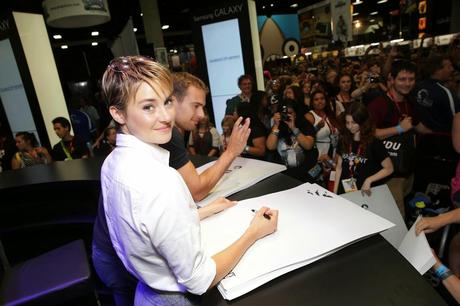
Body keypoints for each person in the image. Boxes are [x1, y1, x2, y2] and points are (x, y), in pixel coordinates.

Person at [99, 55, 278, 304]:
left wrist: (199, 212)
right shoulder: (161, 181)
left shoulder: (112, 162)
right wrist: (254, 232)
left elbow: (146, 225)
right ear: (118, 114)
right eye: (148, 107)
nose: (165, 117)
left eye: (167, 102)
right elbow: (199, 279)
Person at [367, 59, 428, 217]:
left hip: (407, 171)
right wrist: (399, 128)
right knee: (396, 220)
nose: (407, 84)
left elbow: (417, 126)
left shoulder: (409, 101)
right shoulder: (378, 104)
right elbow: (369, 133)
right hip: (388, 173)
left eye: (411, 79)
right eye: (402, 79)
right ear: (391, 79)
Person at [334, 102, 394, 196]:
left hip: (363, 192)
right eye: (347, 122)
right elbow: (339, 168)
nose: (350, 126)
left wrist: (369, 180)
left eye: (354, 123)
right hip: (343, 191)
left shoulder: (374, 143)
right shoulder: (344, 140)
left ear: (362, 122)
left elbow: (389, 168)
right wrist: (335, 193)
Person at [266, 99, 317, 182]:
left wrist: (294, 128)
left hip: (304, 174)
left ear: (296, 113)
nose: (287, 116)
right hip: (284, 175)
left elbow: (308, 145)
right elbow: (270, 147)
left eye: (290, 113)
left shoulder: (305, 125)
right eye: (284, 113)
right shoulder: (277, 127)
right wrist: (276, 125)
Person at [305, 90, 340, 163]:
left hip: (333, 155)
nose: (320, 101)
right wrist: (317, 127)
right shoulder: (310, 116)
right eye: (316, 99)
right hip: (318, 157)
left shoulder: (330, 114)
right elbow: (305, 138)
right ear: (312, 102)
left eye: (322, 98)